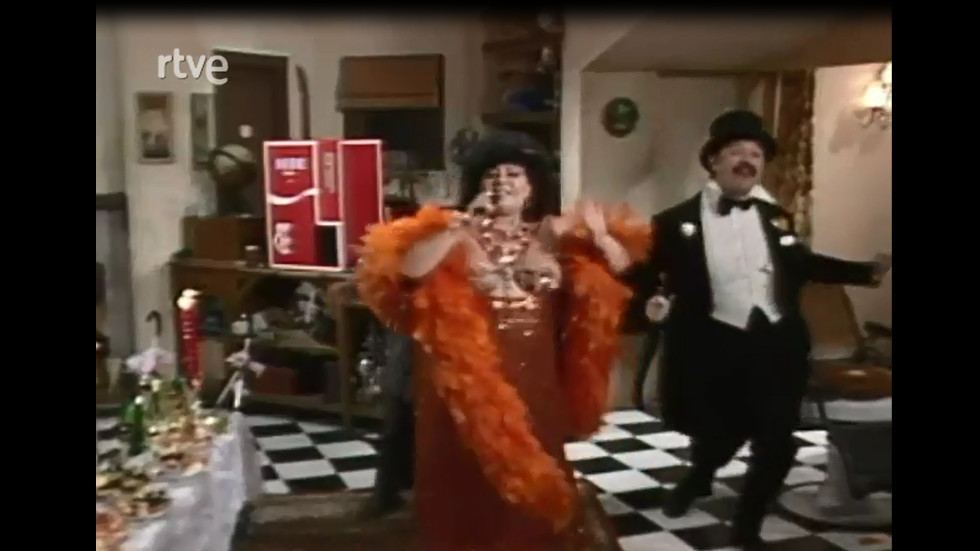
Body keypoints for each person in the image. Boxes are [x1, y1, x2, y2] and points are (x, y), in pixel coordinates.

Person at [355, 130, 651, 551]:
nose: (501, 182)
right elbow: (411, 272)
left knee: (534, 451)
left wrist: (602, 235)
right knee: (467, 460)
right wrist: (460, 225)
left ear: (533, 186)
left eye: (513, 174)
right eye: (491, 175)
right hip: (469, 369)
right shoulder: (456, 231)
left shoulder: (551, 231)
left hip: (535, 365)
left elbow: (619, 269)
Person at [622, 110, 892, 550]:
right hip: (711, 345)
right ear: (713, 161)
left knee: (777, 443)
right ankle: (698, 478)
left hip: (775, 344)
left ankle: (746, 527)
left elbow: (803, 264)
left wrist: (867, 272)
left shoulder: (777, 216)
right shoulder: (673, 222)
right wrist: (648, 307)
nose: (747, 161)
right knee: (721, 434)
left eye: (756, 154)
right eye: (736, 152)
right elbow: (645, 277)